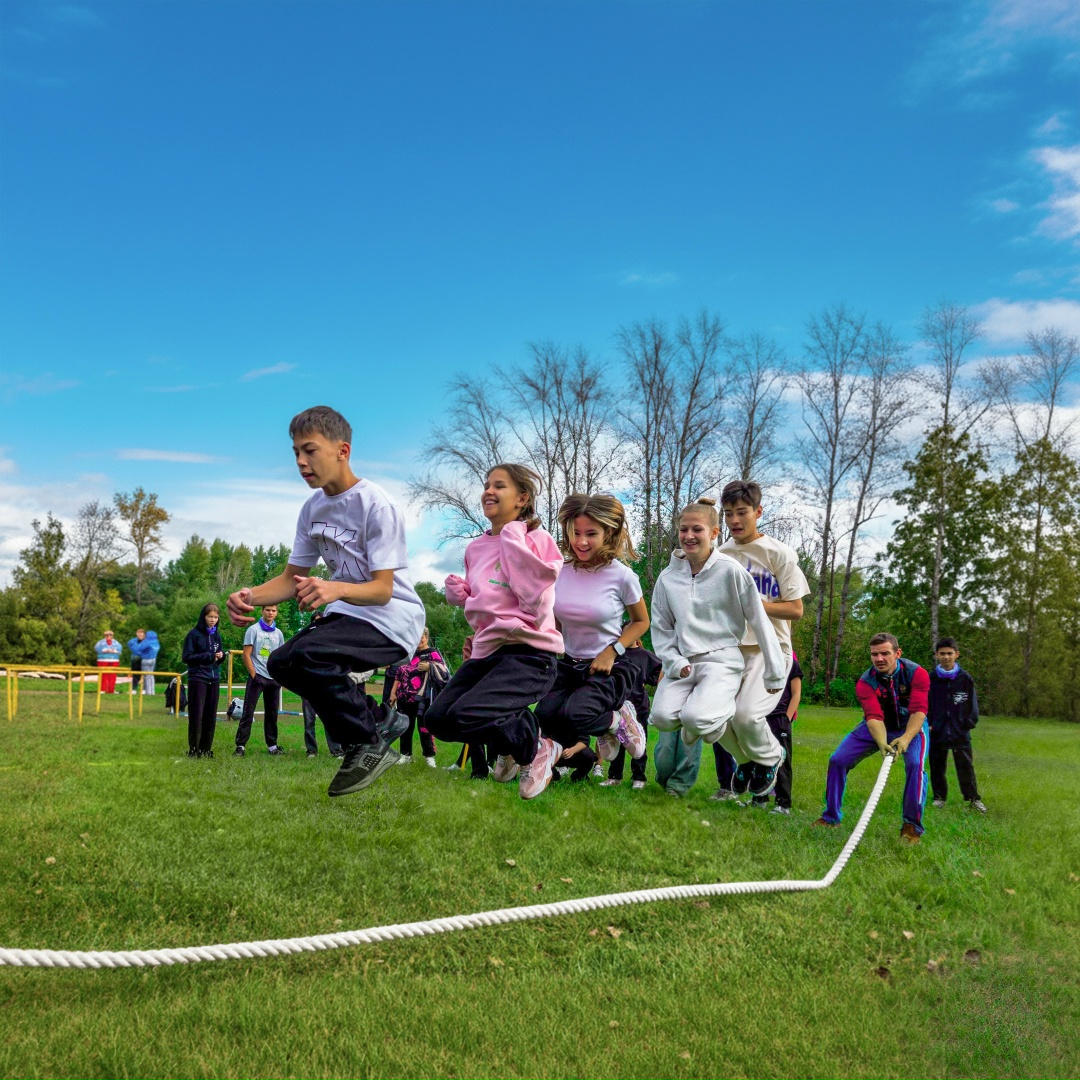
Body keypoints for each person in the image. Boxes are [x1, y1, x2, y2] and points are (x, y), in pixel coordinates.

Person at [226, 406, 425, 798]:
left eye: (310, 450)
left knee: (312, 656)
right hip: (348, 612)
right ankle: (381, 720)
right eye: (296, 452)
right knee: (283, 662)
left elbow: (383, 588)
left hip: (393, 618)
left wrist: (333, 589)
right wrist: (249, 595)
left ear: (342, 450)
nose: (301, 461)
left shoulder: (377, 505)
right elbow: (289, 578)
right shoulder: (312, 509)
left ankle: (368, 742)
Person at [424, 463, 564, 800]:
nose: (488, 491)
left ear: (522, 498)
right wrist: (464, 594)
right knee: (439, 719)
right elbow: (489, 598)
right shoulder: (474, 548)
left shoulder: (536, 540)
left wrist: (514, 535)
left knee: (466, 713)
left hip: (530, 653)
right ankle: (510, 745)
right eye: (486, 485)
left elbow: (536, 601)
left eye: (499, 486)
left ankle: (537, 749)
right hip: (488, 651)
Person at [650, 497, 786, 797]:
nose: (689, 536)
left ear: (714, 533)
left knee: (695, 719)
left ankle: (768, 756)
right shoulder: (668, 578)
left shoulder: (731, 571)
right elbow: (661, 629)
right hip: (683, 664)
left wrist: (775, 672)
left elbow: (759, 619)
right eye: (683, 529)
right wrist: (673, 661)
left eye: (697, 529)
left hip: (722, 661)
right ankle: (712, 729)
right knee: (660, 717)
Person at [535, 494, 650, 785]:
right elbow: (556, 622)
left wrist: (613, 650)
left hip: (606, 667)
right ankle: (608, 726)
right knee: (546, 715)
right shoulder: (561, 572)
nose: (581, 541)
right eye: (576, 533)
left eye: (591, 534)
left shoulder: (622, 576)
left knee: (577, 715)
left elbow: (641, 622)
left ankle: (619, 718)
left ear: (609, 533)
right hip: (569, 664)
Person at [711, 480, 809, 800]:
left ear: (758, 512)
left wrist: (754, 606)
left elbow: (796, 609)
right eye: (728, 514)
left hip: (770, 650)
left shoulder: (779, 553)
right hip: (731, 649)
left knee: (746, 715)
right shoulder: (720, 555)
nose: (735, 521)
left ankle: (771, 756)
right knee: (712, 718)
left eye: (742, 512)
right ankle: (745, 763)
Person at [813, 633, 930, 843]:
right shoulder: (866, 682)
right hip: (877, 726)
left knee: (915, 765)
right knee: (838, 760)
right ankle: (831, 817)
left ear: (898, 653)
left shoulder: (917, 674)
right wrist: (881, 743)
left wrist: (905, 739)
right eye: (874, 654)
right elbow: (874, 716)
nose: (879, 659)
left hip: (911, 725)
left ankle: (911, 826)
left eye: (885, 653)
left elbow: (919, 711)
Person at [928, 637, 986, 813]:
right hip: (937, 731)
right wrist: (929, 723)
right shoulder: (930, 679)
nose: (946, 657)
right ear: (937, 655)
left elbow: (973, 706)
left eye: (950, 653)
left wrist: (967, 724)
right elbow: (925, 703)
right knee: (937, 766)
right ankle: (939, 797)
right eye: (942, 653)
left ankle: (973, 799)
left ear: (956, 654)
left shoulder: (965, 679)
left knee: (965, 766)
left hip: (960, 732)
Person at [601, 645, 662, 791]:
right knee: (617, 740)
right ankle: (614, 776)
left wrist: (647, 679)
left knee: (638, 742)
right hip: (617, 703)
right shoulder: (615, 653)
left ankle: (639, 777)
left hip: (638, 705)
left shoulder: (645, 655)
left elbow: (660, 670)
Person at [750, 652, 802, 813]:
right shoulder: (760, 662)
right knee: (758, 757)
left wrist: (786, 718)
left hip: (780, 718)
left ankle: (783, 803)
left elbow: (796, 694)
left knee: (782, 760)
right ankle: (759, 799)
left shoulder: (791, 662)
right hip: (761, 716)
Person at [389, 627, 449, 766]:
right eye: (417, 636)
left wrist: (430, 667)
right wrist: (393, 692)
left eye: (422, 636)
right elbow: (398, 673)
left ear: (427, 637)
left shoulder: (433, 654)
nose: (420, 639)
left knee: (424, 728)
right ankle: (406, 754)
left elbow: (444, 671)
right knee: (405, 727)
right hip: (404, 697)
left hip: (424, 698)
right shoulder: (409, 654)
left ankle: (429, 756)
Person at [234, 605, 286, 757]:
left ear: (276, 613)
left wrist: (279, 676)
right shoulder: (253, 630)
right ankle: (241, 746)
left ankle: (272, 746)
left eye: (273, 610)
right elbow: (246, 654)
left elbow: (280, 656)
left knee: (272, 714)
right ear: (262, 611)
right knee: (248, 712)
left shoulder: (278, 633)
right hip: (257, 677)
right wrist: (254, 675)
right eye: (268, 610)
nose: (270, 613)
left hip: (273, 679)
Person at [182, 603, 225, 758]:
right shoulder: (193, 635)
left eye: (215, 617)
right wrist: (209, 656)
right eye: (210, 617)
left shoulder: (217, 635)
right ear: (203, 617)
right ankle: (194, 749)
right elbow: (187, 657)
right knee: (197, 715)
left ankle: (206, 748)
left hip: (213, 678)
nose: (213, 620)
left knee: (210, 715)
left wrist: (221, 657)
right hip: (198, 678)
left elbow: (218, 656)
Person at [127, 629, 160, 695]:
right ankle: (136, 689)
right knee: (136, 674)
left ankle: (146, 690)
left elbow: (138, 649)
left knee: (146, 675)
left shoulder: (147, 642)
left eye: (142, 633)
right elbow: (129, 644)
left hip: (145, 659)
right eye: (139, 633)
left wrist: (139, 653)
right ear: (136, 634)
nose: (140, 635)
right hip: (137, 659)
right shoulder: (155, 642)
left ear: (145, 635)